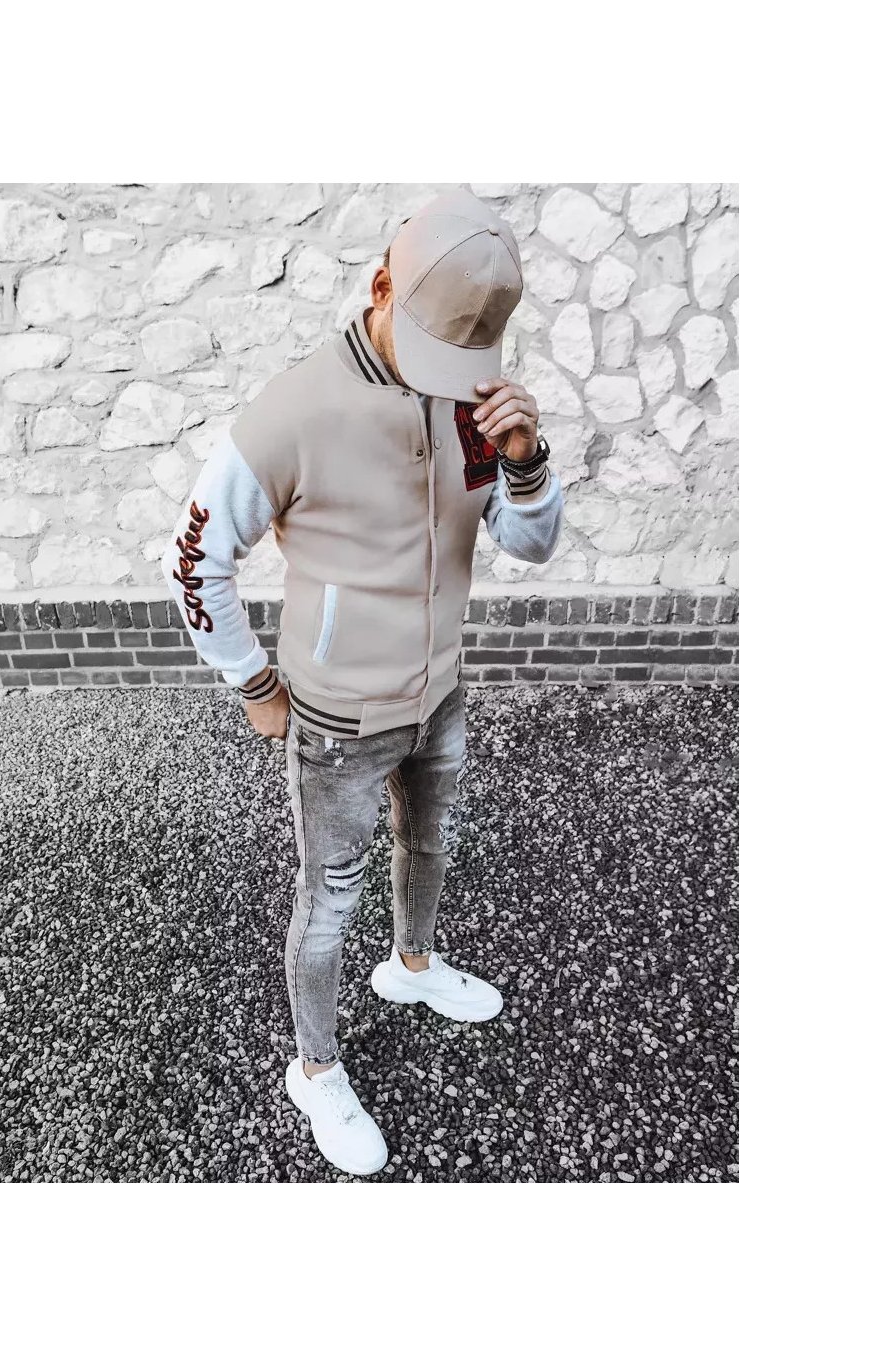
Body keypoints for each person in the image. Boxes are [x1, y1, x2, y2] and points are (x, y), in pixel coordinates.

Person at [162, 188, 564, 1176]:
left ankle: (412, 967)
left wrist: (524, 461)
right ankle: (314, 1068)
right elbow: (193, 558)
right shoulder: (294, 409)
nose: (448, 376)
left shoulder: (471, 399)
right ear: (381, 285)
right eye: (432, 346)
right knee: (328, 901)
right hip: (337, 718)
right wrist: (252, 682)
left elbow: (529, 544)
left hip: (439, 692)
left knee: (429, 843)